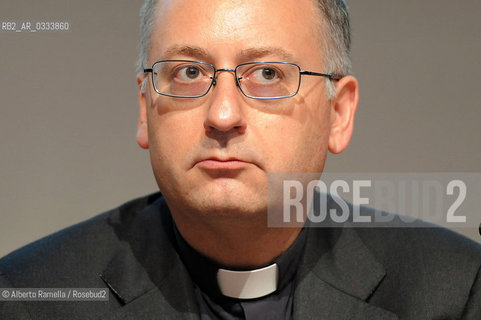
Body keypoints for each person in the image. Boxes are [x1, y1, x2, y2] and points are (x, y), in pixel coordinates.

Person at [1, 0, 480, 319]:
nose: (223, 114)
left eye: (268, 73)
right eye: (188, 72)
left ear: (338, 113)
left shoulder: (452, 290)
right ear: (145, 109)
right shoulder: (30, 297)